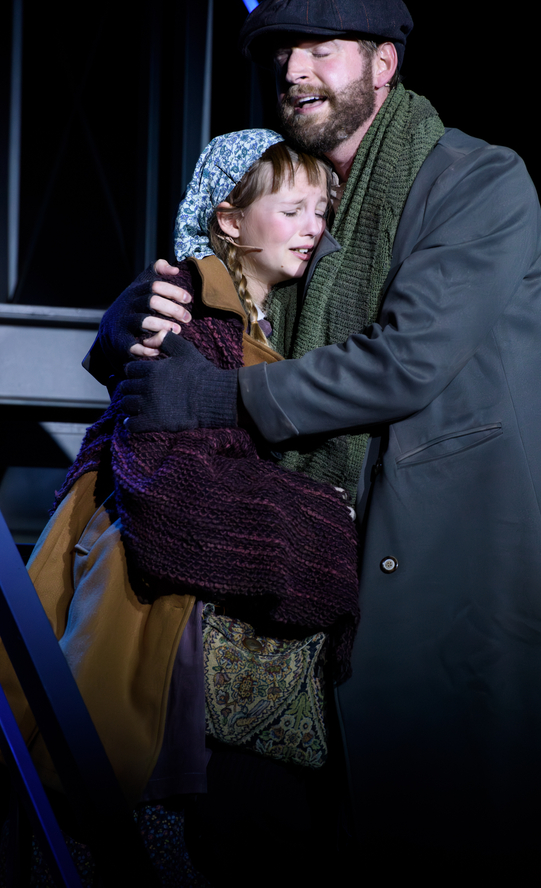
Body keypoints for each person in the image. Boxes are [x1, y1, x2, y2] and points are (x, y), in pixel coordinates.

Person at [93, 0, 541, 872]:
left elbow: (407, 359)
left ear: (384, 66)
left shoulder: (477, 180)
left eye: (322, 50)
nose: (294, 72)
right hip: (329, 601)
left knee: (482, 833)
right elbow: (227, 288)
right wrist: (133, 321)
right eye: (281, 55)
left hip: (461, 593)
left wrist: (228, 400)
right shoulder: (307, 203)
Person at [0, 131, 360, 884]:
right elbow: (178, 496)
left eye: (320, 211)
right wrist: (335, 524)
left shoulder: (256, 330)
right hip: (159, 644)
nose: (312, 226)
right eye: (292, 208)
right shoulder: (190, 321)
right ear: (229, 220)